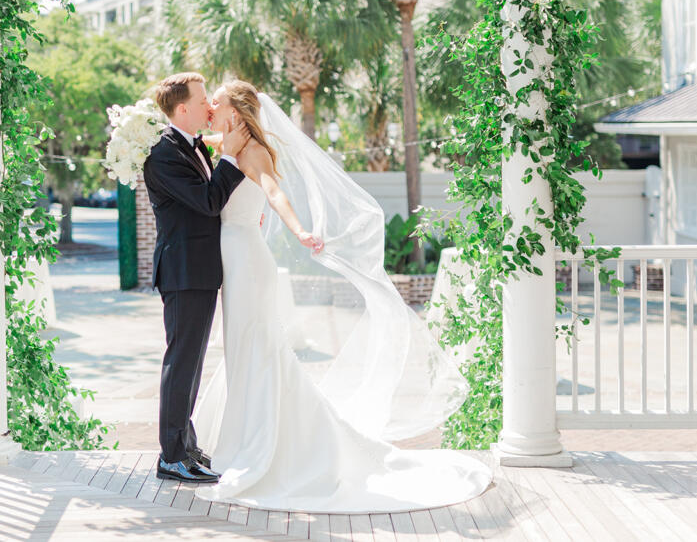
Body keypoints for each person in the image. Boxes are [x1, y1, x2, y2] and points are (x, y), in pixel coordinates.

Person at [191, 80, 492, 512]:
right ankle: (237, 437)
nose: (209, 108)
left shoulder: (251, 152)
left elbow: (274, 193)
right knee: (241, 344)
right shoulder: (223, 146)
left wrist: (299, 231)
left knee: (256, 343)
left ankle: (264, 443)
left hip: (247, 261)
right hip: (232, 256)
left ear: (235, 112)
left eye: (215, 103)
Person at [141, 72, 250, 484]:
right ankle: (170, 456)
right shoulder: (164, 154)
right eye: (203, 100)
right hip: (184, 271)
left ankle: (185, 445)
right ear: (182, 108)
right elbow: (207, 202)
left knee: (192, 363)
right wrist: (232, 158)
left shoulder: (191, 145)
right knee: (181, 362)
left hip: (199, 271)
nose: (210, 107)